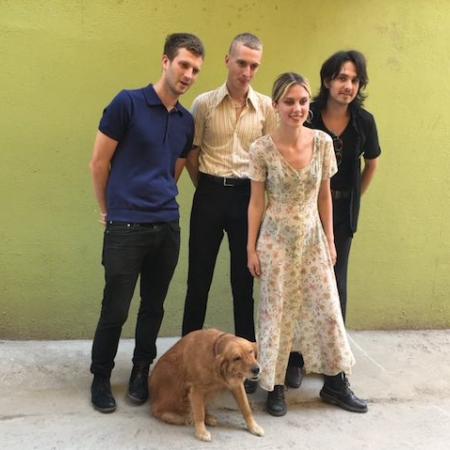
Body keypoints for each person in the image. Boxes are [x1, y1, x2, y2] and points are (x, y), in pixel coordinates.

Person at [88, 33, 205, 413]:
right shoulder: (128, 103)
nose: (188, 75)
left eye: (195, 70)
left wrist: (159, 203)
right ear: (166, 61)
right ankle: (101, 376)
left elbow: (173, 173)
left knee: (153, 307)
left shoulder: (186, 122)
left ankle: (141, 371)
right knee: (116, 308)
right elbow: (98, 163)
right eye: (183, 65)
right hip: (125, 227)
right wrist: (108, 209)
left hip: (166, 227)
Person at [247, 72, 367, 417]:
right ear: (275, 105)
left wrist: (330, 240)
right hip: (276, 240)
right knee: (277, 313)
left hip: (313, 237)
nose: (297, 108)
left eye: (302, 101)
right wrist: (251, 248)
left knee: (327, 308)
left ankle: (335, 383)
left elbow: (325, 196)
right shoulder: (261, 149)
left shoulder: (322, 143)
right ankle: (276, 386)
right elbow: (256, 202)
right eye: (289, 102)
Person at [181, 33, 277, 393]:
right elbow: (192, 153)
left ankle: (248, 368)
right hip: (208, 193)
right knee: (198, 282)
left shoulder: (265, 107)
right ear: (227, 60)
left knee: (242, 284)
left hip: (246, 199)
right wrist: (206, 187)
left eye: (254, 65)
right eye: (241, 63)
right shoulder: (203, 104)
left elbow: (269, 158)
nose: (247, 71)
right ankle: (187, 361)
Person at [287, 50, 381, 399]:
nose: (348, 86)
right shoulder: (308, 114)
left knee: (334, 287)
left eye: (354, 80)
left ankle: (333, 365)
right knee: (299, 285)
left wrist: (354, 197)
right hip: (305, 213)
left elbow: (371, 164)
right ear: (327, 80)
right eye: (342, 78)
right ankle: (295, 358)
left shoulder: (364, 122)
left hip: (342, 216)